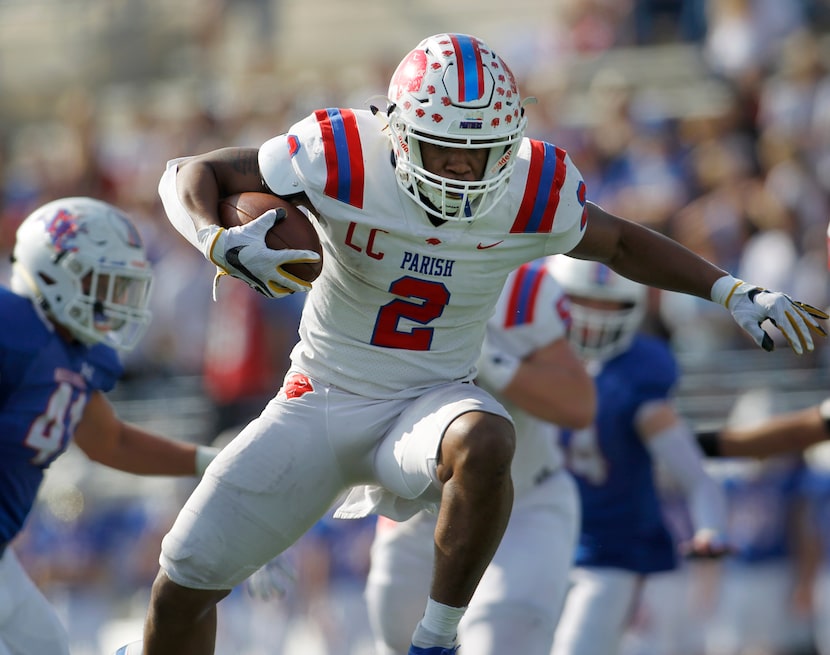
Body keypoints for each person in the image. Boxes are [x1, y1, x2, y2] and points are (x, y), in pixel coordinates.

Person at [131, 33, 825, 655]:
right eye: (447, 148)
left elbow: (618, 241)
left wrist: (734, 291)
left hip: (426, 400)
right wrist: (215, 239)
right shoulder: (341, 152)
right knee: (183, 582)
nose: (465, 169)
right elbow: (192, 172)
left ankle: (437, 638)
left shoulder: (529, 186)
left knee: (487, 437)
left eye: (482, 150)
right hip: (321, 395)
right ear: (400, 133)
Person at [0, 196, 220, 655]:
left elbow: (111, 441)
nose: (114, 301)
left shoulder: (76, 353)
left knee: (46, 646)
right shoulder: (12, 324)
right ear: (55, 271)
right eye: (103, 284)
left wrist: (205, 461)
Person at [365, 256, 595, 655]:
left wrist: (491, 359)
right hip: (417, 510)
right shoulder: (373, 262)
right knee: (398, 641)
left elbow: (577, 405)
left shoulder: (523, 288)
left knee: (501, 641)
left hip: (524, 502)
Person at [547, 255, 731, 655]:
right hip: (535, 539)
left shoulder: (638, 372)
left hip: (610, 549)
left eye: (608, 303)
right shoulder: (529, 356)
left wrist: (709, 528)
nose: (595, 315)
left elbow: (694, 476)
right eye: (582, 299)